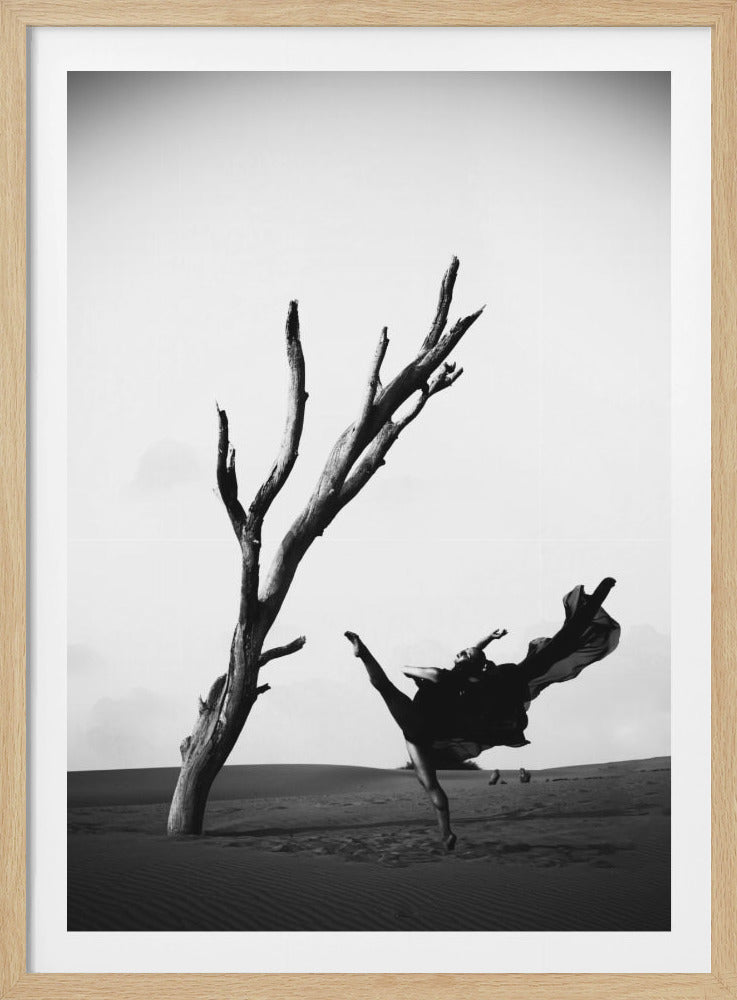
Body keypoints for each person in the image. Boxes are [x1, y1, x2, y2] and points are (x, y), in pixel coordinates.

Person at [344, 577, 620, 851]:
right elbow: (470, 658)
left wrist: (420, 673)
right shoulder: (465, 679)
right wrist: (483, 642)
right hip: (429, 728)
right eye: (462, 653)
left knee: (394, 688)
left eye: (465, 653)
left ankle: (363, 653)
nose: (461, 652)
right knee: (429, 782)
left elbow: (465, 661)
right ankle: (446, 833)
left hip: (428, 723)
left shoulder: (471, 680)